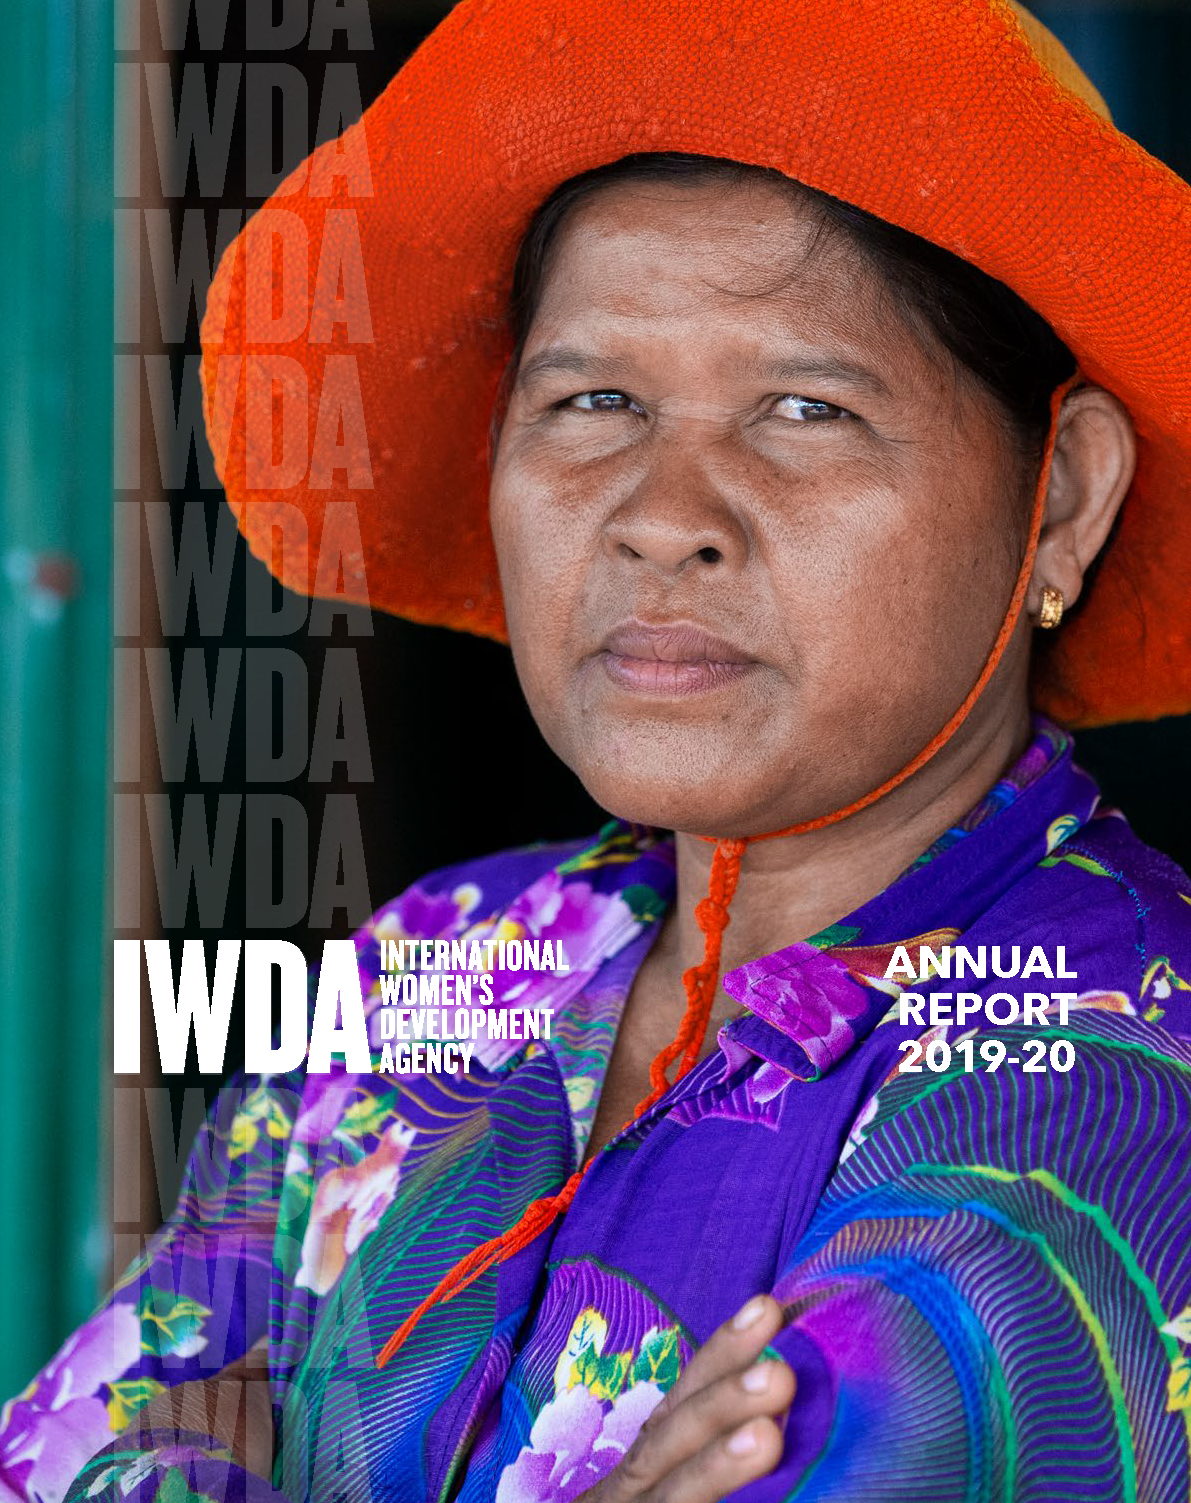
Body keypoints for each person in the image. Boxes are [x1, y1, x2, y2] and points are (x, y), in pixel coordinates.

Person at [4, 1, 1191, 1499]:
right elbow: (75, 1439)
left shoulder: (1102, 1075)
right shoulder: (443, 960)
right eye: (595, 400)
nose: (657, 512)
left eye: (804, 408)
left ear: (1065, 495)